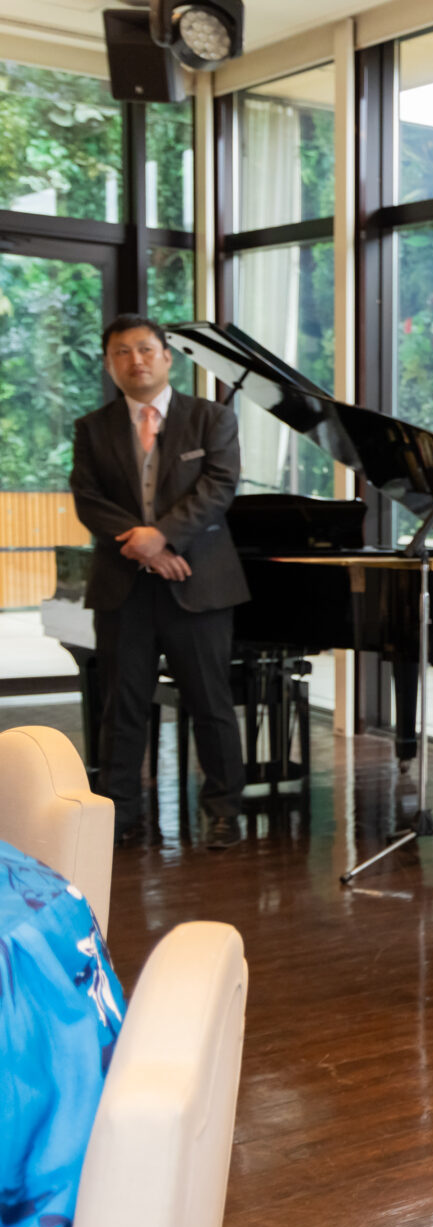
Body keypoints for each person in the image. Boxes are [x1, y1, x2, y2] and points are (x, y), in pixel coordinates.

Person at [69, 315, 251, 851]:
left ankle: (224, 811)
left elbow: (219, 487)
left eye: (145, 349)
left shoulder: (211, 418)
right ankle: (118, 812)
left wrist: (164, 537)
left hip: (199, 583)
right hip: (123, 587)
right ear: (109, 364)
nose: (136, 360)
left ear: (167, 357)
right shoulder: (92, 428)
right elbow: (88, 500)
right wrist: (145, 546)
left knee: (210, 704)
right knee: (121, 705)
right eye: (122, 352)